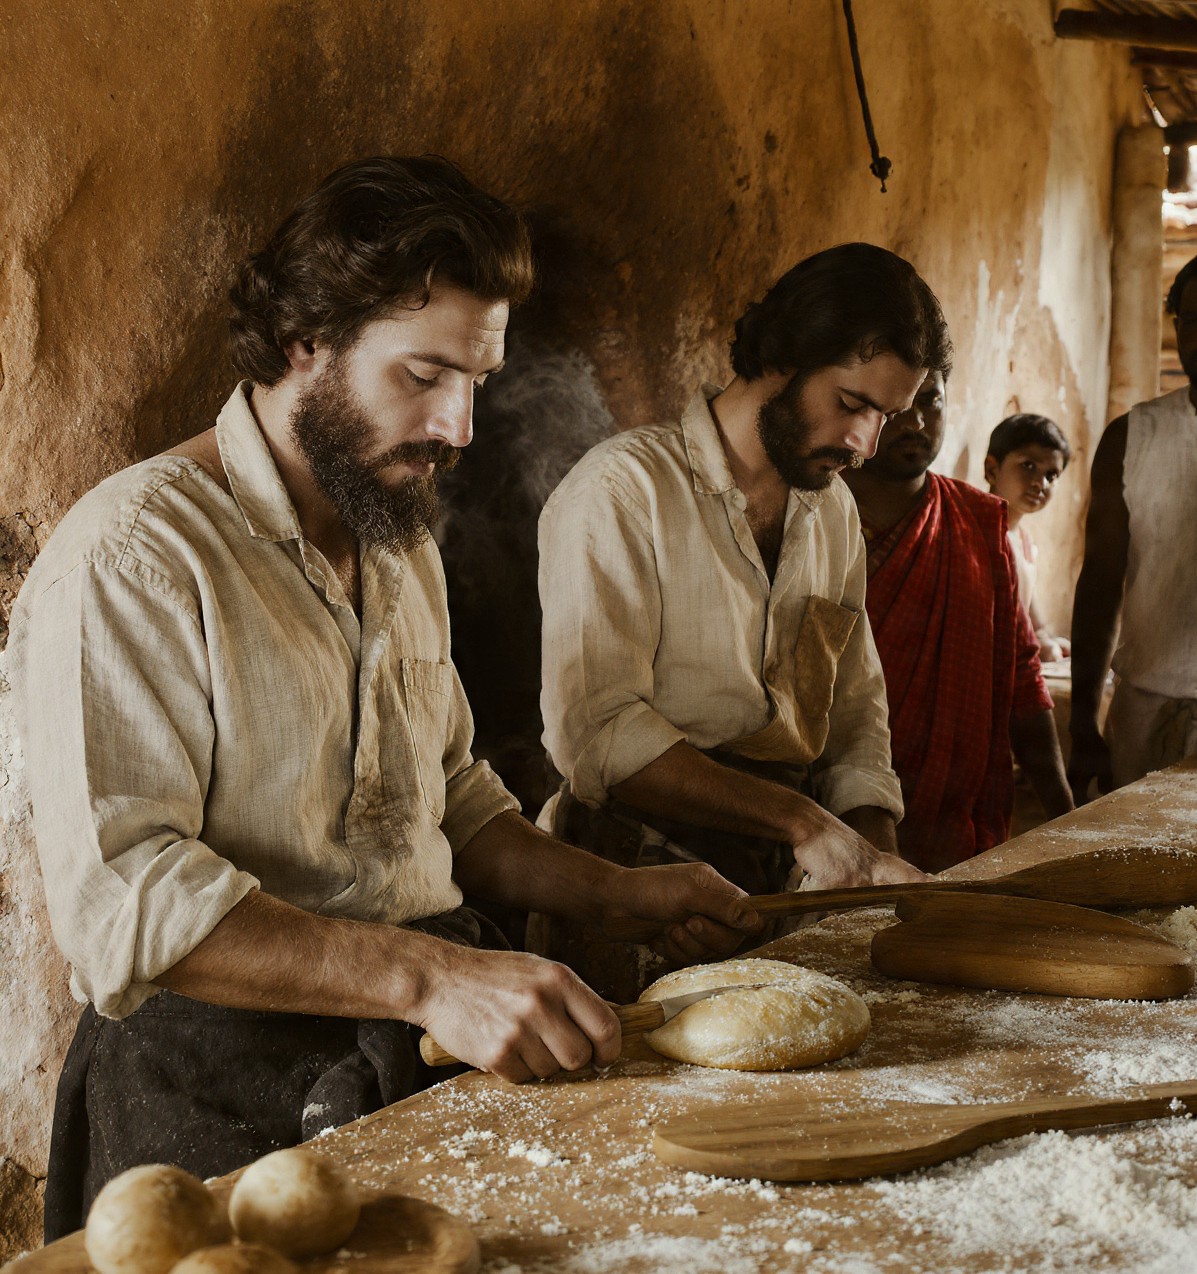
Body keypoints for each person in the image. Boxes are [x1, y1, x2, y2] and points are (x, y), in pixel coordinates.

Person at [7, 155, 759, 1237]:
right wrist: (432, 977)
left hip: (406, 1050)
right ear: (305, 342)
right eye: (422, 376)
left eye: (477, 383)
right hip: (210, 1095)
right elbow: (131, 900)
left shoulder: (395, 538)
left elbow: (448, 799)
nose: (457, 425)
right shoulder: (135, 553)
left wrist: (615, 892)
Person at [536, 243, 949, 998]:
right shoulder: (623, 493)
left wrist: (868, 876)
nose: (865, 444)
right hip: (627, 883)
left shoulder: (831, 519)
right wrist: (807, 826)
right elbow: (598, 730)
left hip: (775, 879)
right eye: (851, 403)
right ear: (783, 360)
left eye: (886, 417)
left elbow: (856, 716)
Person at [1070, 244, 1197, 799]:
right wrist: (1082, 723)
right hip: (1144, 724)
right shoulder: (1133, 438)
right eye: (1191, 320)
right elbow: (1098, 585)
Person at [844, 372, 1073, 871]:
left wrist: (1067, 819)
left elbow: (1021, 673)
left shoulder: (977, 522)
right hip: (831, 821)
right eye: (899, 406)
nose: (918, 421)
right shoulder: (811, 519)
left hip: (950, 823)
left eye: (931, 401)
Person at [984, 413, 1072, 661]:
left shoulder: (1025, 544)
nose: (1040, 483)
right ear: (992, 470)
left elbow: (1031, 615)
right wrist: (1038, 645)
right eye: (1028, 466)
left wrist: (1045, 637)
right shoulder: (977, 531)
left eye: (1051, 475)